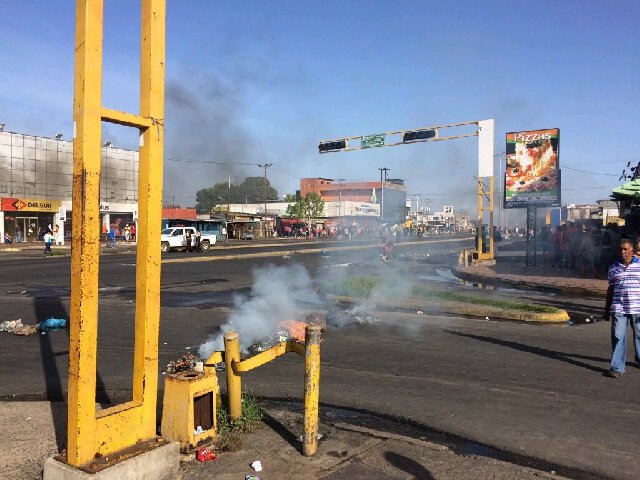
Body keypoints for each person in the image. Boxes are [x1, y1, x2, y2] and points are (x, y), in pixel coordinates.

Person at [603, 239, 640, 378]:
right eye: (620, 249)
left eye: (625, 249)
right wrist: (606, 310)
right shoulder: (614, 268)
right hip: (619, 307)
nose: (622, 252)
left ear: (632, 251)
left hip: (637, 307)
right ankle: (617, 367)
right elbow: (610, 290)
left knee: (639, 334)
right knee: (618, 336)